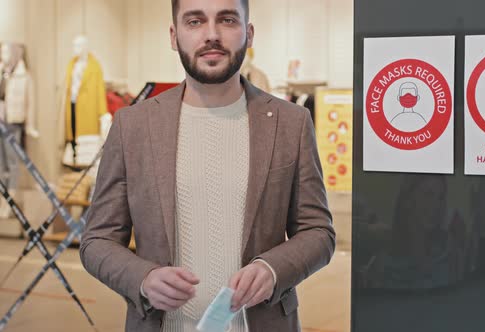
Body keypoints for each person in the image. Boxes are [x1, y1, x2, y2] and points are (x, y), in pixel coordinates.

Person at [79, 0, 335, 331]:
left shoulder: (291, 123)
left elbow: (318, 231)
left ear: (249, 33)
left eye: (227, 20)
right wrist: (143, 278)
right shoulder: (133, 126)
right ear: (174, 36)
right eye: (195, 22)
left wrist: (273, 269)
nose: (211, 35)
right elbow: (96, 241)